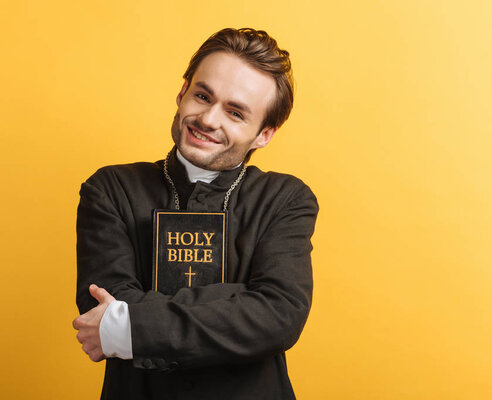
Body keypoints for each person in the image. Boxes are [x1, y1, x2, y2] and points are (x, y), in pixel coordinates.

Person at [72, 27, 319, 399]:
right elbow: (101, 305)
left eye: (235, 113)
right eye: (203, 96)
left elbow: (278, 316)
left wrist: (131, 327)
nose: (208, 119)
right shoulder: (111, 188)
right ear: (182, 91)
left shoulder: (285, 199)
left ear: (264, 134)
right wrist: (239, 303)